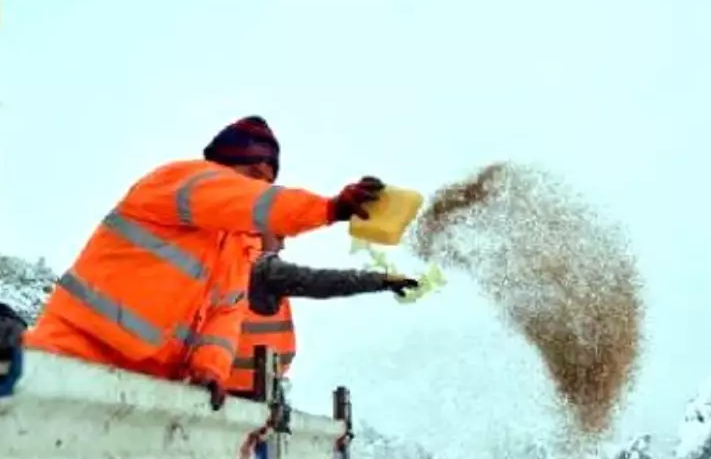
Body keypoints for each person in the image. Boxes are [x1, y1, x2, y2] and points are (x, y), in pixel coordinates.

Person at [25, 116, 387, 406]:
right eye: (254, 176)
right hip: (68, 361)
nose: (259, 188)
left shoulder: (236, 246)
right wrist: (329, 208)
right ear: (224, 164)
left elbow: (224, 314)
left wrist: (209, 369)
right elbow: (257, 204)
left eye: (268, 180)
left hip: (139, 391)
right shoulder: (182, 180)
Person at [222, 233, 418, 401]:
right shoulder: (263, 270)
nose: (283, 245)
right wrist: (380, 281)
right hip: (250, 394)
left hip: (212, 386)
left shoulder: (221, 261)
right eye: (279, 236)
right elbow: (321, 281)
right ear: (256, 229)